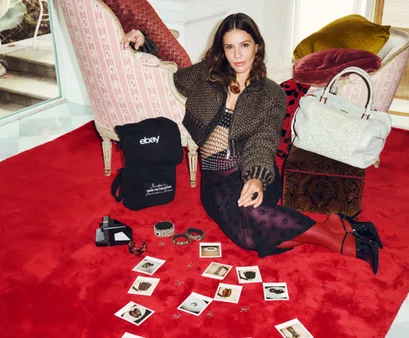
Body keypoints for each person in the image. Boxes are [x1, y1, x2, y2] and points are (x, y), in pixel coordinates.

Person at [120, 13, 383, 274]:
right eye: (229, 47)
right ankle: (333, 226)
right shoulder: (206, 75)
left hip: (252, 171)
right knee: (247, 238)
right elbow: (170, 77)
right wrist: (145, 44)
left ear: (256, 46)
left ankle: (339, 241)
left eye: (244, 45)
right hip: (214, 181)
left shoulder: (271, 93)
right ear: (221, 51)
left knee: (254, 220)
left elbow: (264, 140)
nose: (237, 55)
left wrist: (256, 177)